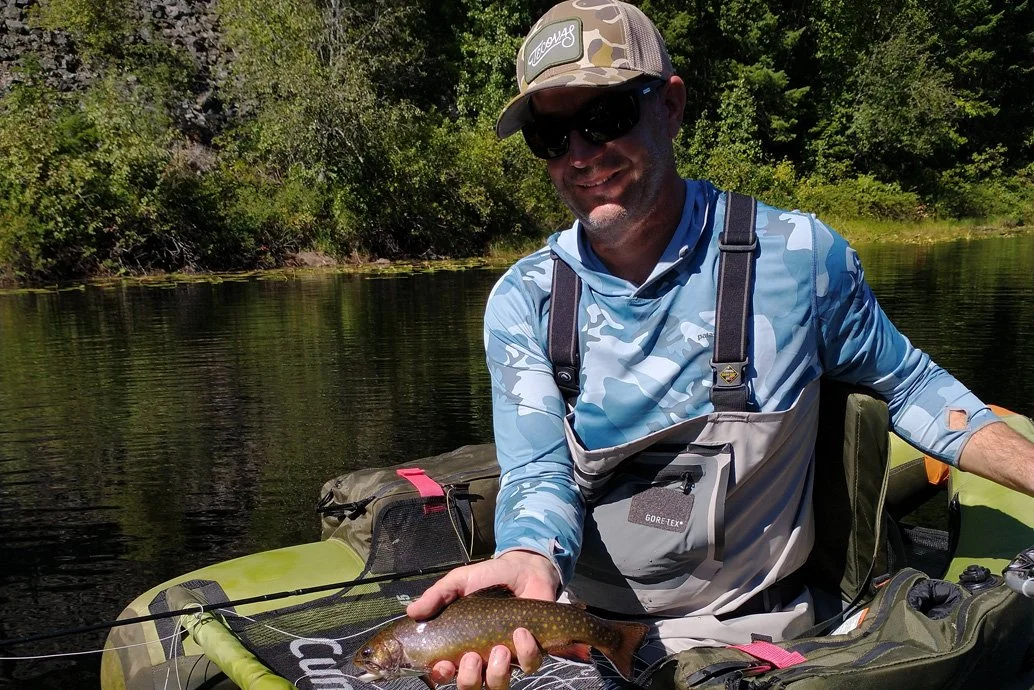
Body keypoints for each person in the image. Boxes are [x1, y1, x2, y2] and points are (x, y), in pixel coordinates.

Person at [407, 1, 1034, 688]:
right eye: (550, 136)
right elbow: (537, 472)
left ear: (670, 106)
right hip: (576, 636)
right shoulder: (525, 299)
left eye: (604, 117)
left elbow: (911, 388)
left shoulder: (799, 259)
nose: (580, 156)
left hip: (759, 642)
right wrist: (529, 556)